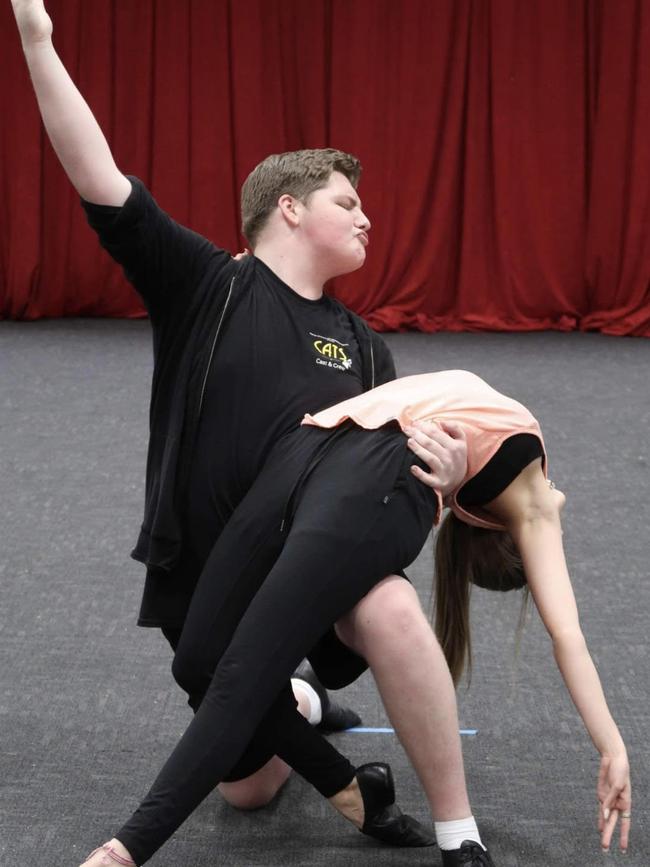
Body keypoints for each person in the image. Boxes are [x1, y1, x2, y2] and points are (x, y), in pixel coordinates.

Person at [10, 0, 471, 857]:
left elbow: (386, 479)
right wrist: (38, 39)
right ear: (289, 209)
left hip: (309, 572)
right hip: (206, 581)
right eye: (348, 200)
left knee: (389, 599)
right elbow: (95, 171)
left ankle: (453, 820)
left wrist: (441, 480)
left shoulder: (367, 347)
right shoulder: (208, 285)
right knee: (249, 788)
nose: (368, 217)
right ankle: (298, 705)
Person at [79, 370, 630, 867]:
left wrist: (611, 746)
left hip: (373, 479)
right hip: (309, 445)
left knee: (239, 675)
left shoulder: (531, 504)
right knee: (197, 661)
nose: (561, 496)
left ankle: (124, 851)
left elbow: (568, 634)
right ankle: (332, 753)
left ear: (501, 532)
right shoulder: (507, 449)